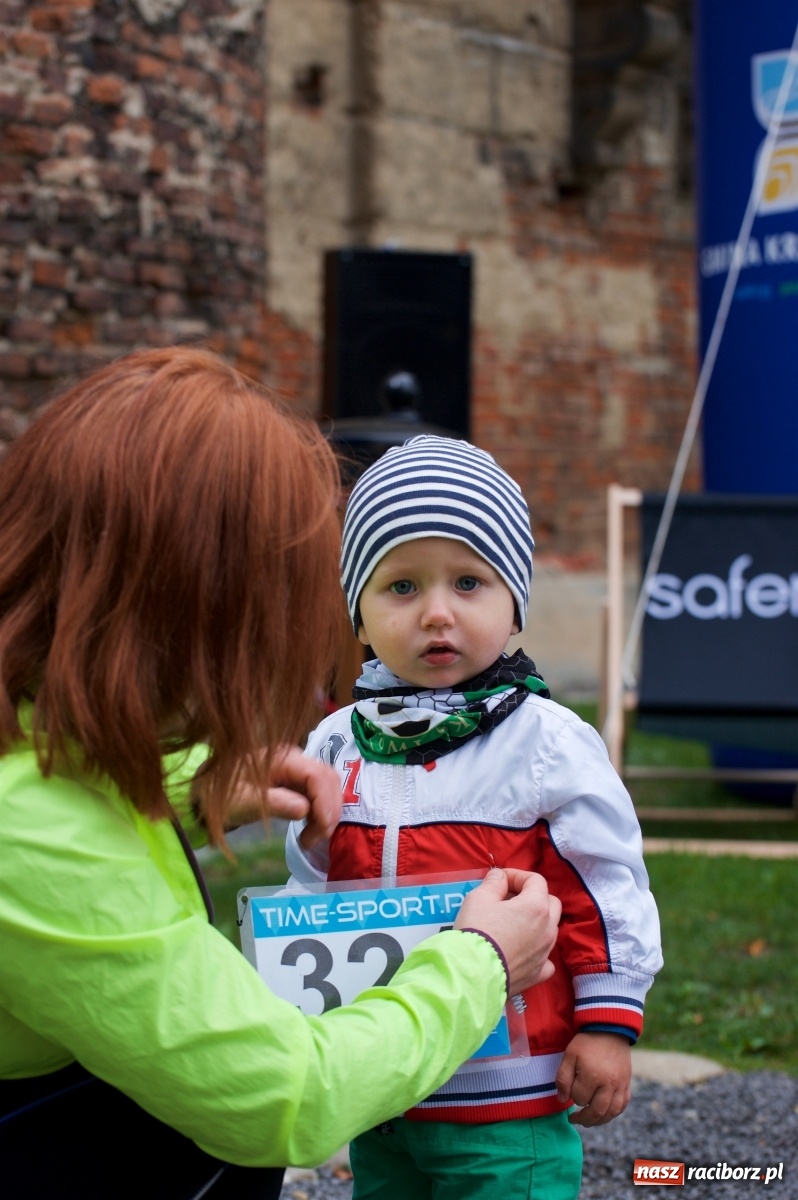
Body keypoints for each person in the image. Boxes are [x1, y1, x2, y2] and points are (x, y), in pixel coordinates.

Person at [0, 349, 563, 1200]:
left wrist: (188, 784)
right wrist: (479, 961)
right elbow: (285, 1097)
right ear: (193, 607)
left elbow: (57, 759)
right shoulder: (35, 842)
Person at [286, 434, 663, 1200]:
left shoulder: (547, 744)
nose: (436, 614)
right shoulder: (333, 742)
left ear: (515, 601)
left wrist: (608, 1021)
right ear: (355, 609)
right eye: (400, 587)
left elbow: (606, 887)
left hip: (507, 1093)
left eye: (468, 582)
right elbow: (309, 894)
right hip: (383, 1080)